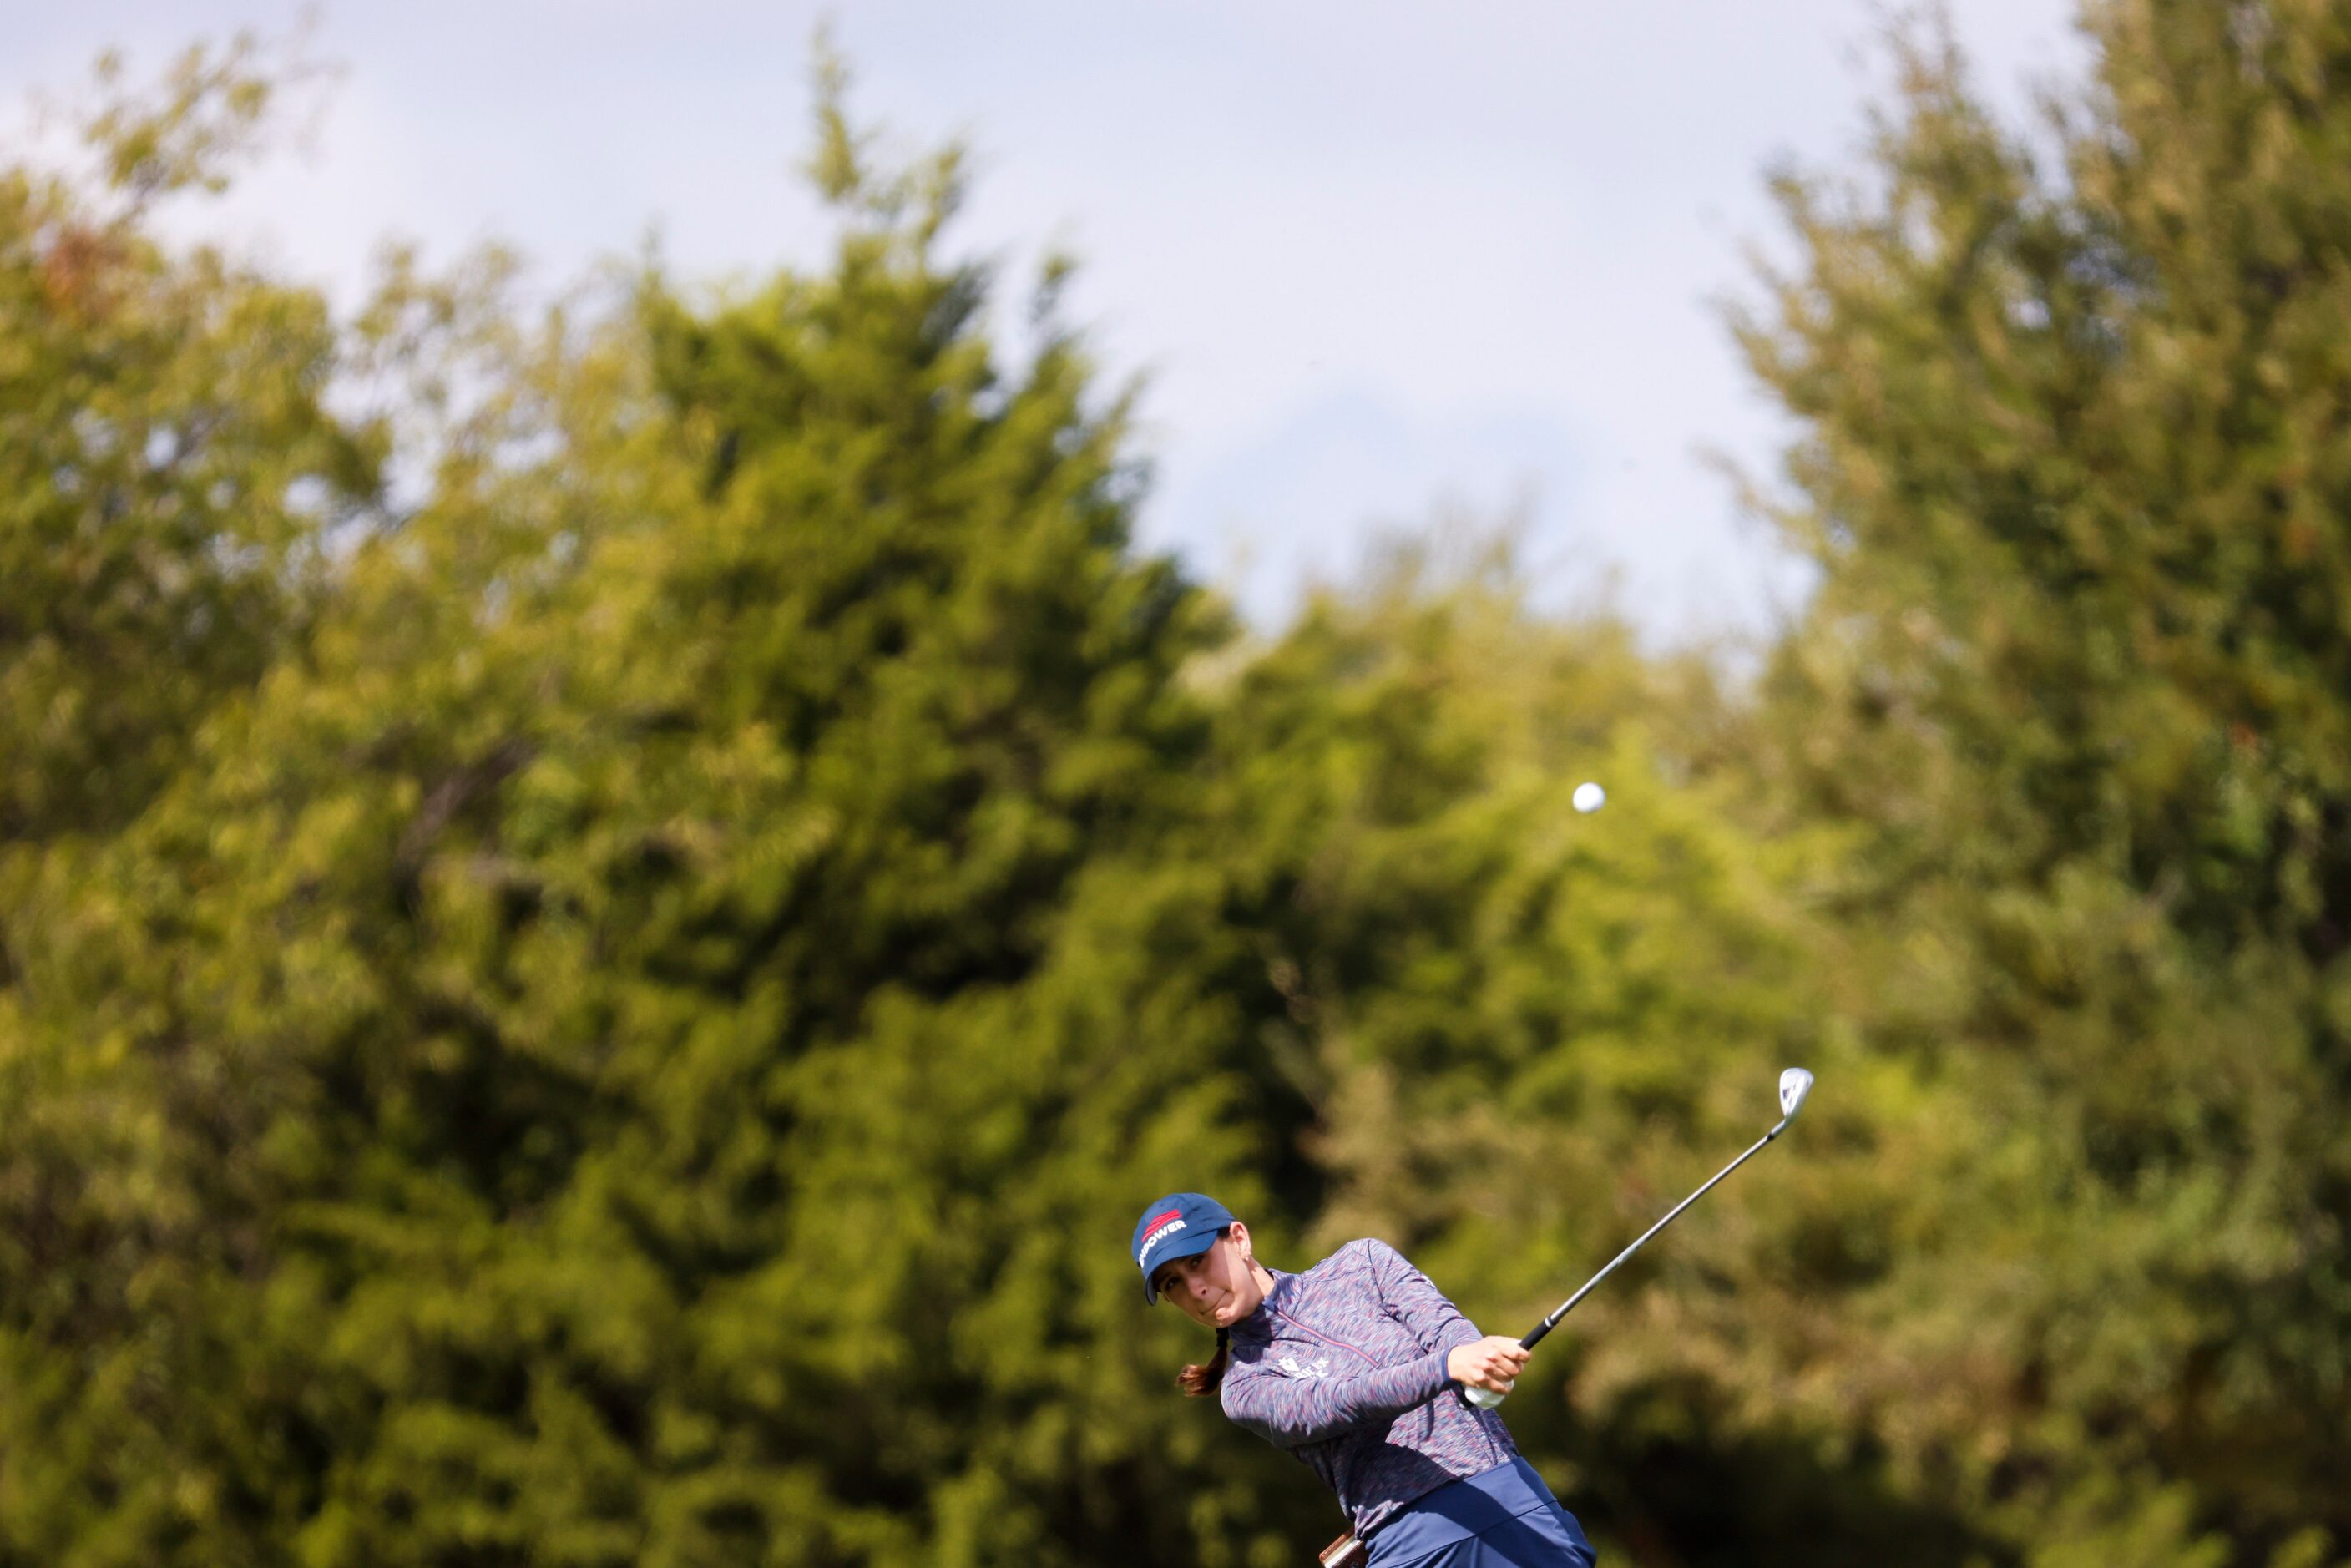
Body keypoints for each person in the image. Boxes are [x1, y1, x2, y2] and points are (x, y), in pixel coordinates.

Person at [1133, 1192, 1598, 1567]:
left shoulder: (1364, 1264)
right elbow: (1340, 1402)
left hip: (1509, 1497)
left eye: (1197, 1261)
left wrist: (1475, 1360)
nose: (1194, 1290)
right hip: (1415, 1545)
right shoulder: (1243, 1388)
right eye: (1172, 1284)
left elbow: (1444, 1328)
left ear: (1239, 1239)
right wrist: (1448, 1367)